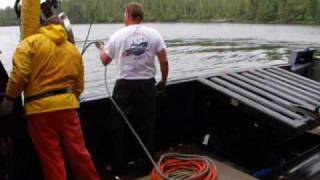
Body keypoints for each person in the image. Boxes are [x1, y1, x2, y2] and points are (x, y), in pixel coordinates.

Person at [0, 16, 100, 180]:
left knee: (52, 160)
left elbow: (19, 75)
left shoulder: (30, 43)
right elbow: (79, 85)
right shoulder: (72, 49)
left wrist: (10, 99)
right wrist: (69, 99)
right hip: (68, 108)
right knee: (79, 154)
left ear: (45, 26)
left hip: (40, 112)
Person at [96, 2, 169, 175]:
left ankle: (120, 169)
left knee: (119, 128)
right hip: (147, 86)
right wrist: (164, 80)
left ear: (128, 15)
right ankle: (146, 167)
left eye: (124, 15)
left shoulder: (117, 35)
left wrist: (101, 49)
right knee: (147, 126)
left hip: (124, 87)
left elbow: (105, 60)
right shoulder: (154, 34)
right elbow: (164, 61)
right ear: (140, 16)